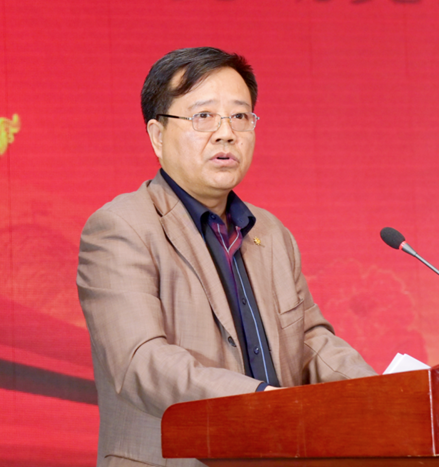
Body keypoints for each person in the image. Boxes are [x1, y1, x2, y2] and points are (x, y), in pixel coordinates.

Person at [77, 47, 377, 467]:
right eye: (203, 116)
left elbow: (311, 344)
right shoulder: (121, 227)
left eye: (240, 116)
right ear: (157, 136)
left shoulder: (270, 232)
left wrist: (386, 394)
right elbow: (141, 362)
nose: (226, 133)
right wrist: (259, 402)